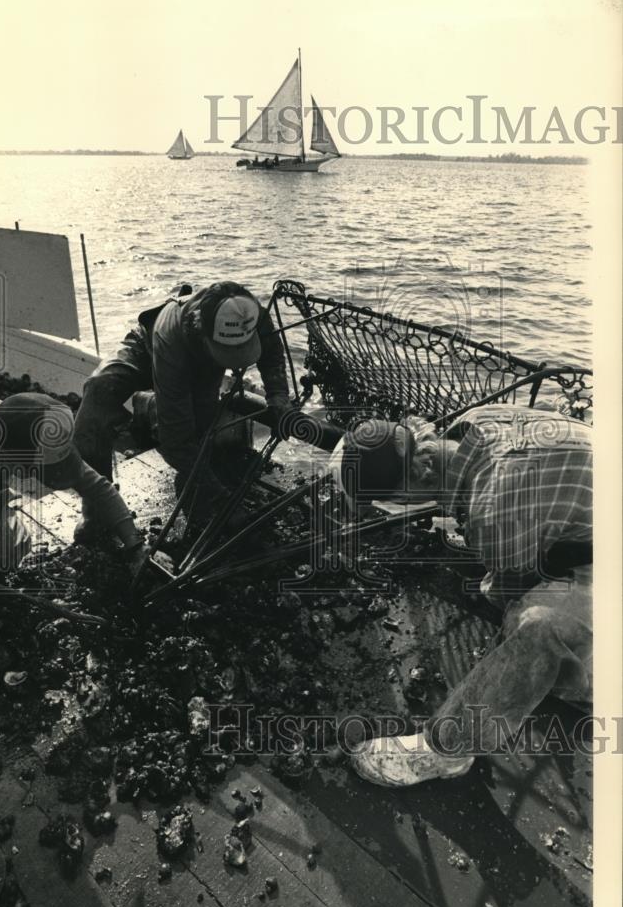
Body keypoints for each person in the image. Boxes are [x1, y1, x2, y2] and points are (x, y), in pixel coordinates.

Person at [329, 403, 592, 786]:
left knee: (536, 625)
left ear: (420, 475)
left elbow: (513, 582)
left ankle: (446, 750)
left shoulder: (492, 511)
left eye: (392, 500)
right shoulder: (477, 419)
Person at [0, 391, 150, 659]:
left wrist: (135, 545)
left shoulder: (36, 429)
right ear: (3, 448)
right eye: (28, 468)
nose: (31, 476)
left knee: (4, 557)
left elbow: (96, 487)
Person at [73, 281, 290, 528]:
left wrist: (279, 397)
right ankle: (99, 510)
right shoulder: (171, 338)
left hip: (205, 362)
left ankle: (195, 492)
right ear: (200, 328)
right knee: (98, 391)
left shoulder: (247, 311)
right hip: (151, 346)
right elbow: (176, 439)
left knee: (201, 431)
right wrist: (221, 498)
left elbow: (272, 351)